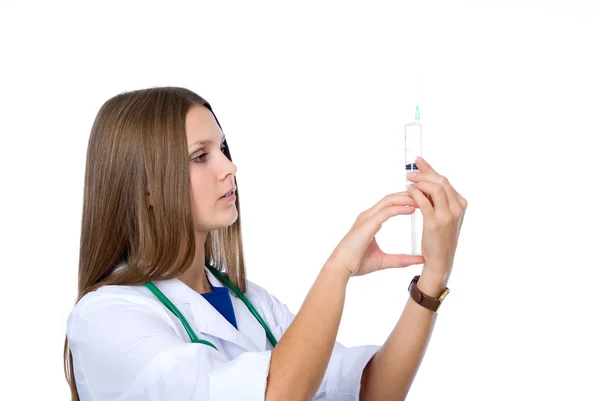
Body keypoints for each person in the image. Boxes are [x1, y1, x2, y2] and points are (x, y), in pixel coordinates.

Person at [64, 86, 467, 401]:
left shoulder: (253, 305)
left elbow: (372, 391)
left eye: (222, 149)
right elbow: (278, 395)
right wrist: (337, 269)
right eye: (199, 157)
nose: (229, 167)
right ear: (147, 188)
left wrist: (433, 277)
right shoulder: (106, 318)